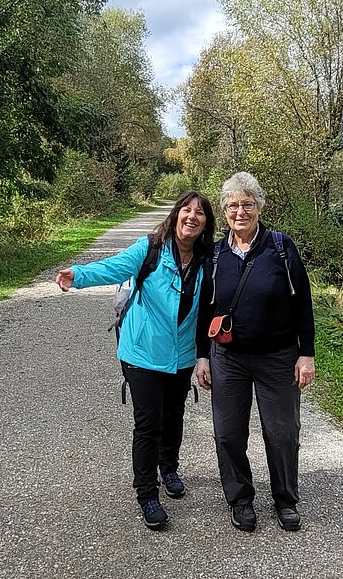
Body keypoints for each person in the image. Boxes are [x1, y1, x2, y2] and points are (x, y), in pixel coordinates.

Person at [56, 191, 215, 530]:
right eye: (186, 210)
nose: (192, 217)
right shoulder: (150, 249)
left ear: (206, 223)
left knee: (174, 416)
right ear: (174, 216)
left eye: (199, 213)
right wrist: (79, 276)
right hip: (142, 352)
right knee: (149, 423)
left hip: (182, 354)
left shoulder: (207, 260)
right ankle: (147, 494)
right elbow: (114, 267)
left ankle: (168, 467)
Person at [196, 172, 315, 533]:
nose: (240, 211)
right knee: (228, 433)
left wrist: (306, 354)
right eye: (232, 205)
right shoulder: (214, 254)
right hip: (228, 358)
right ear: (224, 210)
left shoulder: (280, 247)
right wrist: (202, 356)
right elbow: (204, 309)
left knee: (282, 433)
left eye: (247, 203)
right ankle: (240, 498)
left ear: (259, 207)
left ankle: (285, 499)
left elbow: (304, 304)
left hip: (278, 356)